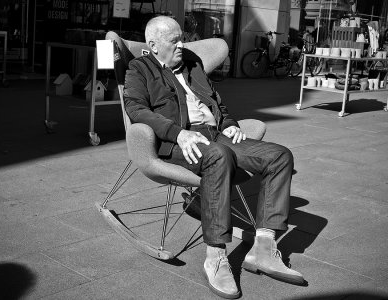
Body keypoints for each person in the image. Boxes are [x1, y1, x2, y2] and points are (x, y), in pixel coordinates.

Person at [123, 16, 305, 299]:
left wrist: (230, 122)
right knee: (219, 156)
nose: (182, 45)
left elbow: (217, 102)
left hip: (217, 135)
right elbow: (135, 109)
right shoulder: (139, 69)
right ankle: (216, 256)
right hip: (182, 141)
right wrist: (178, 134)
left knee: (279, 156)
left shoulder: (193, 66)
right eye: (174, 41)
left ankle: (264, 249)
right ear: (153, 45)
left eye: (181, 38)